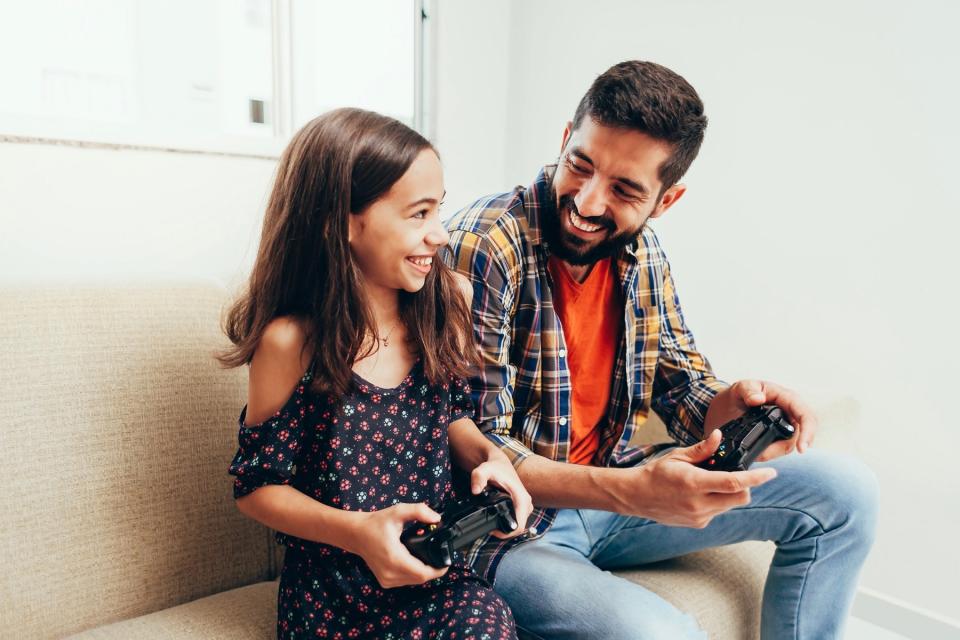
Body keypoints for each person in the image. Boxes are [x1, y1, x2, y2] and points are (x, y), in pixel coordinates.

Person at [444, 61, 878, 639]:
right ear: (564, 138)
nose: (588, 202)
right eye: (581, 165)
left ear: (666, 200)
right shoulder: (484, 246)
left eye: (625, 190)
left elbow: (682, 389)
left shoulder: (642, 254)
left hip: (615, 495)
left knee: (847, 493)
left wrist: (736, 405)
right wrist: (634, 492)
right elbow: (474, 443)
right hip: (510, 527)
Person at [220, 107, 532, 639]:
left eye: (440, 211)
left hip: (433, 574)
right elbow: (256, 488)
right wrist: (360, 533)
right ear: (339, 221)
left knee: (488, 622)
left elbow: (449, 416)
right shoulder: (292, 343)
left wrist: (492, 458)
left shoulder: (444, 303)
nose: (439, 234)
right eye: (418, 214)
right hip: (333, 595)